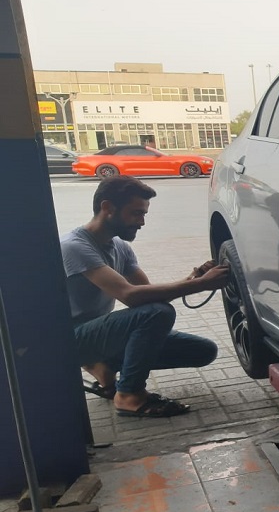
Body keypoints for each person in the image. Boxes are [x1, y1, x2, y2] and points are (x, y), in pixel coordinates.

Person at [61, 176, 229, 418]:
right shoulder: (75, 246)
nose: (141, 222)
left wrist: (194, 278)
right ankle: (129, 396)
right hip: (67, 341)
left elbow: (148, 295)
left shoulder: (120, 247)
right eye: (136, 213)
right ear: (108, 208)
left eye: (144, 214)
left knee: (203, 350)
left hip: (96, 333)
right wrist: (201, 285)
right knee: (157, 313)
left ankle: (104, 365)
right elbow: (130, 296)